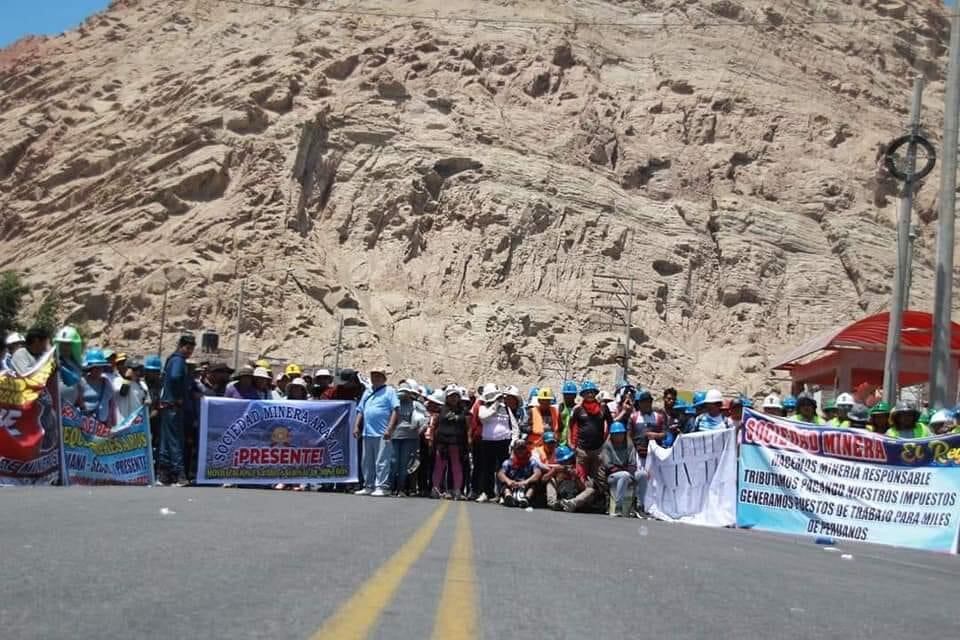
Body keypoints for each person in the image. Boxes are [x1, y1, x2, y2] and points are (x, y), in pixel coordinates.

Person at [562, 380, 612, 513]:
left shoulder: (603, 408)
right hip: (582, 449)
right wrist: (571, 442)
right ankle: (583, 503)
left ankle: (600, 503)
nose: (589, 394)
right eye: (586, 392)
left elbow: (610, 423)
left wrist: (606, 440)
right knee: (581, 477)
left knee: (599, 479)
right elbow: (570, 426)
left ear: (595, 393)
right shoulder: (578, 409)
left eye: (592, 392)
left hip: (598, 450)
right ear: (583, 394)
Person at [353, 366, 399, 497]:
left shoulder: (389, 391)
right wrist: (356, 426)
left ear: (384, 378)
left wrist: (389, 429)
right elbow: (360, 410)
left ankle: (382, 486)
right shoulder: (367, 392)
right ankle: (368, 485)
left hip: (382, 432)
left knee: (382, 461)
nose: (375, 378)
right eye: (373, 375)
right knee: (366, 461)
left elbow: (395, 410)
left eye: (378, 376)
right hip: (368, 432)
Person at [158, 334, 196, 487]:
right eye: (187, 348)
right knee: (175, 441)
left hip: (168, 406)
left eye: (191, 349)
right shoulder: (179, 360)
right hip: (174, 406)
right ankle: (180, 475)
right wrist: (179, 395)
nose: (189, 351)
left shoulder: (172, 360)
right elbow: (175, 378)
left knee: (166, 441)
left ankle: (164, 475)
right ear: (181, 346)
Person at [475, 383, 516, 503]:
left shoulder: (506, 408)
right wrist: (495, 405)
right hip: (488, 441)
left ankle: (503, 493)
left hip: (504, 442)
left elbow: (514, 426)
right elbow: (483, 417)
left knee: (503, 469)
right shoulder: (483, 407)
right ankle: (486, 493)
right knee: (486, 468)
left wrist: (513, 440)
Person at [385, 380, 427, 496]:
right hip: (395, 436)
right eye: (401, 392)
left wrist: (420, 430)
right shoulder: (395, 404)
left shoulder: (416, 404)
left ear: (409, 393)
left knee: (404, 464)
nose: (402, 394)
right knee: (393, 462)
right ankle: (390, 486)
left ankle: (401, 488)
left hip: (410, 438)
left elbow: (426, 418)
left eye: (405, 392)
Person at [431, 386, 469, 499]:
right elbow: (434, 425)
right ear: (446, 398)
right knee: (439, 466)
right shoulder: (440, 409)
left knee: (456, 466)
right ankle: (436, 488)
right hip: (442, 442)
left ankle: (457, 490)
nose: (453, 398)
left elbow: (467, 427)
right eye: (451, 396)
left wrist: (468, 443)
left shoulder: (463, 411)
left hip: (456, 442)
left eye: (455, 396)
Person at [602, 421, 643, 517]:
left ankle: (640, 506)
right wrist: (626, 472)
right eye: (616, 434)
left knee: (642, 474)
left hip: (628, 472)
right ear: (611, 435)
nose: (618, 436)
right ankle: (618, 507)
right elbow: (608, 465)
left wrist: (631, 474)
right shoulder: (607, 446)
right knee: (624, 475)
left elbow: (633, 463)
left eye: (620, 434)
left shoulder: (629, 445)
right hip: (612, 476)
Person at [497, 437, 541, 508]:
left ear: (526, 449)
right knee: (504, 483)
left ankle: (526, 499)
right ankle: (508, 497)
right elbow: (500, 473)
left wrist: (526, 481)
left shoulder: (531, 462)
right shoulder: (508, 462)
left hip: (525, 484)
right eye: (518, 449)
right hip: (513, 484)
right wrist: (509, 481)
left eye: (523, 448)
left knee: (534, 484)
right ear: (514, 450)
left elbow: (538, 473)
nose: (521, 451)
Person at [77, 348, 116, 426]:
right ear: (90, 368)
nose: (99, 370)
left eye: (100, 367)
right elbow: (77, 401)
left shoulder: (106, 382)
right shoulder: (82, 382)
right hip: (85, 424)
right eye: (96, 367)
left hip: (102, 424)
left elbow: (110, 403)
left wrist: (111, 421)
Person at [541, 444, 581, 510]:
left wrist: (575, 476)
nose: (567, 462)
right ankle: (553, 503)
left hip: (573, 493)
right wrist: (553, 471)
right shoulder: (557, 467)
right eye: (564, 461)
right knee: (551, 480)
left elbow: (582, 487)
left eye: (568, 459)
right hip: (560, 491)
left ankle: (571, 503)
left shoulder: (576, 466)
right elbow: (543, 479)